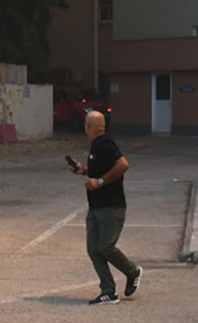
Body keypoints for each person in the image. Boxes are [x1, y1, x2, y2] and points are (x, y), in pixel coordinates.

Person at [72, 109, 141, 304]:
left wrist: (100, 182)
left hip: (110, 207)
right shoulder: (97, 145)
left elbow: (123, 165)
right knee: (94, 249)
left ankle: (132, 271)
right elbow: (99, 170)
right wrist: (83, 171)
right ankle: (108, 291)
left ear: (88, 126)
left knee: (105, 246)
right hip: (96, 206)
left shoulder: (104, 144)